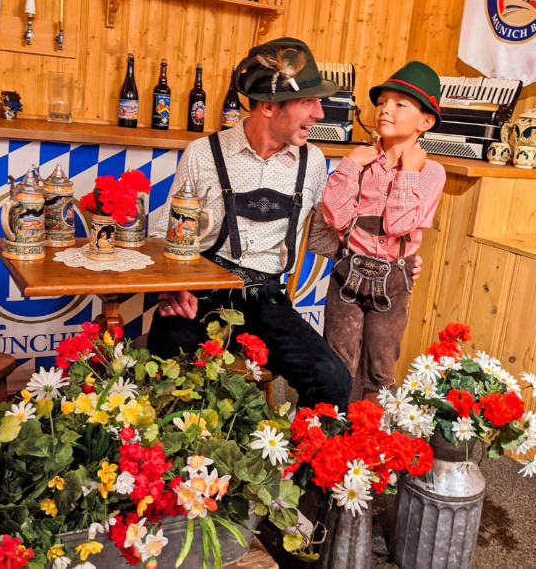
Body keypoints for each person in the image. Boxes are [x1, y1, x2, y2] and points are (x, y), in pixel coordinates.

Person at [147, 38, 424, 410]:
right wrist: (173, 288)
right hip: (201, 294)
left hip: (267, 301)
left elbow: (324, 238)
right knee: (165, 361)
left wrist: (388, 258)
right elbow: (165, 234)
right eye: (308, 102)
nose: (320, 114)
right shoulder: (204, 153)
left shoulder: (311, 161)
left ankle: (296, 463)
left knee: (332, 380)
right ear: (268, 107)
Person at [320, 61, 447, 404]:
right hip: (348, 270)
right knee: (337, 357)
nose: (384, 110)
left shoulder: (431, 173)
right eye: (381, 103)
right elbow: (335, 216)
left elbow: (399, 225)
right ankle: (332, 433)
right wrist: (348, 164)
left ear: (425, 121)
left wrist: (408, 171)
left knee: (381, 364)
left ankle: (369, 435)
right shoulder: (361, 162)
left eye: (399, 104)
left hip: (394, 280)